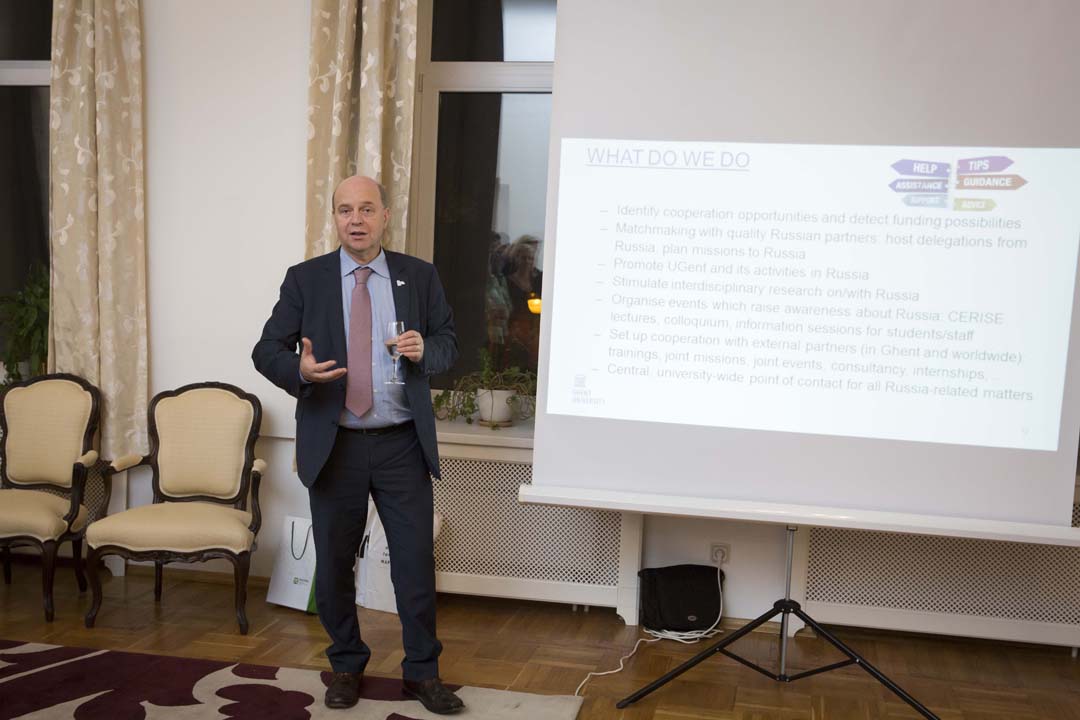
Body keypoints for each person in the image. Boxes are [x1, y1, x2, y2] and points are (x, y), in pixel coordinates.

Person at [252, 175, 462, 714]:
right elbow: (266, 350)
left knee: (413, 564)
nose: (356, 220)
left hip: (401, 445)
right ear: (335, 218)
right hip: (336, 444)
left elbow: (448, 344)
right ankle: (346, 664)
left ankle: (422, 673)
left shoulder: (418, 276)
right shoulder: (306, 279)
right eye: (345, 210)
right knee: (334, 565)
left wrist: (425, 350)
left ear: (385, 216)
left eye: (366, 209)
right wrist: (299, 371)